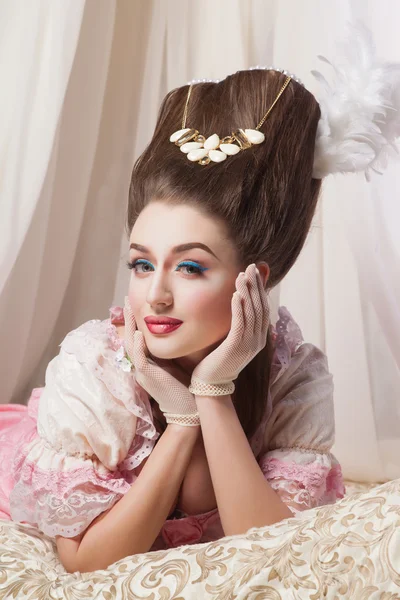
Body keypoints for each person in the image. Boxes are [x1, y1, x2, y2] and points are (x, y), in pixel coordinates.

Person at [1, 22, 399, 574]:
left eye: (189, 266)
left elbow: (272, 552)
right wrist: (178, 418)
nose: (155, 295)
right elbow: (87, 564)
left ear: (253, 279)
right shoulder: (96, 371)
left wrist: (210, 393)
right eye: (142, 263)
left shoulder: (291, 376)